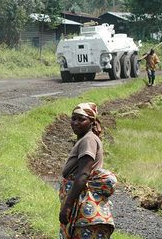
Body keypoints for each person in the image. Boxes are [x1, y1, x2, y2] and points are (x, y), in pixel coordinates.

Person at [59, 102, 116, 239]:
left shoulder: (88, 140)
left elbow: (83, 174)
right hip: (85, 206)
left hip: (85, 206)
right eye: (74, 118)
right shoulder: (86, 139)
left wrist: (67, 206)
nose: (76, 123)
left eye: (81, 119)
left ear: (91, 122)